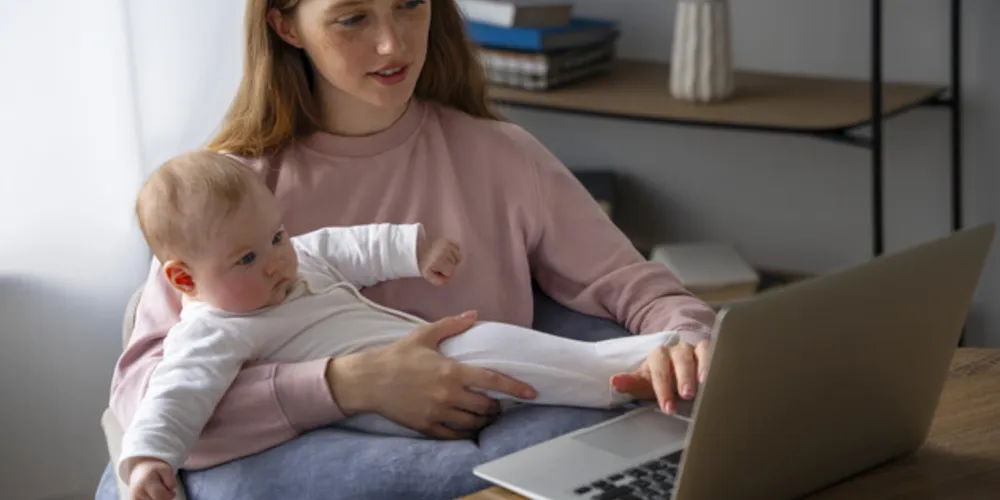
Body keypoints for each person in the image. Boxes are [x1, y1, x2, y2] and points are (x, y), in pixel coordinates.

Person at [97, 0, 718, 498]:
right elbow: (148, 398)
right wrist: (346, 385)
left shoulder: (502, 157)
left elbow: (635, 286)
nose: (393, 44)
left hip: (501, 436)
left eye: (410, 5)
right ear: (286, 24)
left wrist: (688, 341)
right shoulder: (232, 196)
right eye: (352, 18)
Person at [122, 151, 681, 500]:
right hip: (383, 416)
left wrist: (415, 249)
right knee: (481, 343)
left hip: (419, 377)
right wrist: (149, 458)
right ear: (183, 279)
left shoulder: (294, 261)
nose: (275, 261)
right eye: (246, 259)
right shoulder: (213, 328)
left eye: (277, 237)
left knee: (496, 356)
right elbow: (175, 392)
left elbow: (349, 244)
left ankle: (643, 367)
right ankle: (623, 376)